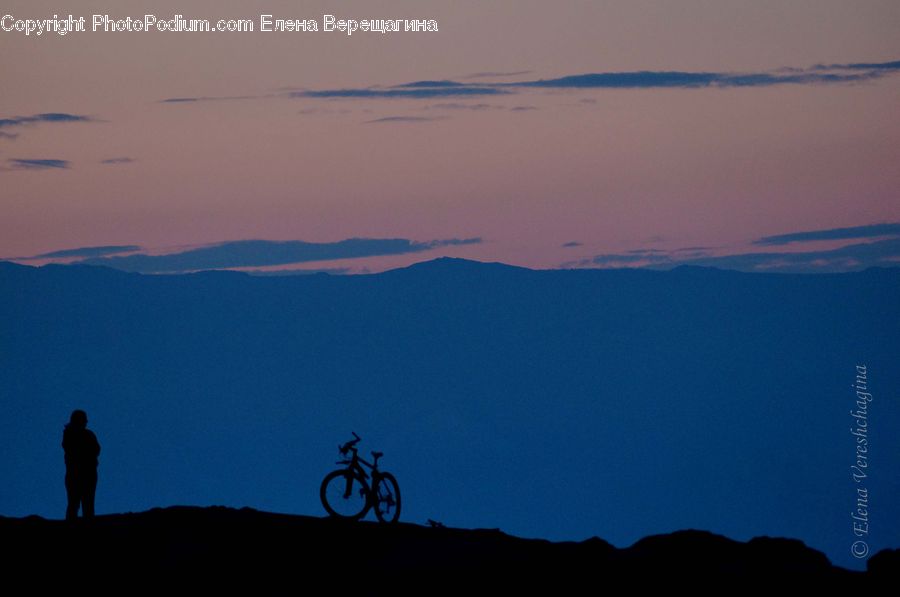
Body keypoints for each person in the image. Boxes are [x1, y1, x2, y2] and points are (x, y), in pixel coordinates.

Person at [62, 409, 101, 520]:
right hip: (78, 474)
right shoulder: (70, 434)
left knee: (85, 505)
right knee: (75, 504)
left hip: (87, 474)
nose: (86, 422)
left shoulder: (87, 434)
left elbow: (97, 449)